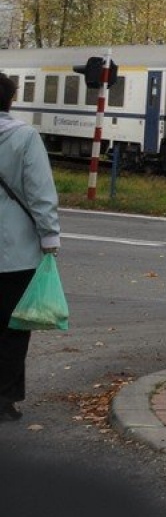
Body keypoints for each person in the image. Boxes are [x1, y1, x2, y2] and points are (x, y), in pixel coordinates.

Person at [0, 70, 62, 424]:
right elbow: (40, 193)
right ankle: (4, 400)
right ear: (10, 100)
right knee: (12, 328)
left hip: (15, 252)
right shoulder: (24, 137)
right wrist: (49, 237)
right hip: (16, 252)